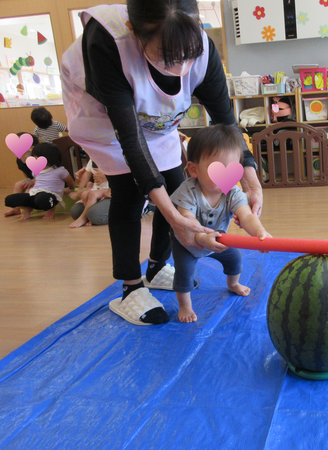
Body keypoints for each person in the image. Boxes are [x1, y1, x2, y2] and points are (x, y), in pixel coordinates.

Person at [61, 0, 263, 325]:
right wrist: (174, 218)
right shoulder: (107, 41)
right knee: (128, 191)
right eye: (169, 56)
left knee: (175, 186)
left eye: (189, 54)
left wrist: (251, 180)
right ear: (135, 32)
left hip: (157, 120)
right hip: (109, 120)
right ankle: (130, 288)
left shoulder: (202, 46)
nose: (182, 66)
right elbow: (130, 139)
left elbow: (227, 122)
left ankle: (156, 267)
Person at [160, 125, 269, 323]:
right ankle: (185, 305)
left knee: (235, 259)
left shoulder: (233, 193)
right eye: (217, 168)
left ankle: (233, 284)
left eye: (233, 168)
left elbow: (246, 216)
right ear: (194, 169)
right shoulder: (188, 192)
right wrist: (202, 238)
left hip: (219, 240)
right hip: (188, 242)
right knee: (184, 274)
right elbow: (187, 222)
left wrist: (260, 233)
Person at [4, 143, 75, 220]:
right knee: (10, 199)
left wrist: (71, 188)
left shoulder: (59, 170)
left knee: (42, 197)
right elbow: (36, 180)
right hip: (35, 194)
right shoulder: (35, 169)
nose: (33, 158)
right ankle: (27, 208)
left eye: (36, 156)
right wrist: (31, 183)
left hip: (50, 195)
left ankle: (50, 209)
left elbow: (70, 181)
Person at [4, 132, 39, 217]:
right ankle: (16, 208)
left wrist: (33, 181)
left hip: (42, 179)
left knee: (28, 190)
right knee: (18, 184)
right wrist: (28, 181)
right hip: (32, 179)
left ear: (31, 147)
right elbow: (25, 173)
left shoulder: (37, 158)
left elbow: (43, 173)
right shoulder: (19, 160)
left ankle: (28, 208)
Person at [69, 160, 111, 228]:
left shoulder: (112, 159)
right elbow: (87, 174)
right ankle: (87, 216)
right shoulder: (92, 159)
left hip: (107, 189)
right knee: (84, 195)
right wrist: (79, 190)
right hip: (97, 188)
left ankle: (84, 217)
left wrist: (107, 175)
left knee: (93, 195)